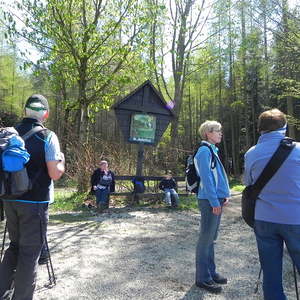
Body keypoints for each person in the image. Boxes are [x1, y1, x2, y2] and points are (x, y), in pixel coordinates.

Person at [0, 94, 65, 300]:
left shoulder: (8, 134)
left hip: (9, 199)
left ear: (25, 111)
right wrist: (62, 162)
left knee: (15, 247)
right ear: (45, 114)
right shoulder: (47, 136)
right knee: (29, 253)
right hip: (35, 203)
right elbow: (55, 173)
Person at [243, 108, 300, 300]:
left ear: (260, 129)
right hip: (296, 219)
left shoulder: (251, 153)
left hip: (264, 219)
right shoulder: (299, 150)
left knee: (271, 272)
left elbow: (248, 184)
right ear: (284, 127)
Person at [194, 120, 230, 294]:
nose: (220, 133)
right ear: (208, 133)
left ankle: (211, 272)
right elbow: (207, 179)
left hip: (215, 200)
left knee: (211, 239)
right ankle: (202, 278)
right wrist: (215, 202)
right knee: (205, 240)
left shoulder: (212, 150)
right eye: (218, 131)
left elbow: (217, 177)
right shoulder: (203, 151)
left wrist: (224, 196)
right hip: (209, 201)